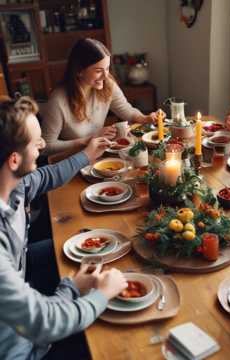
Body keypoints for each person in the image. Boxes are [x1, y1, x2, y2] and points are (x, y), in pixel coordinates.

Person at [0, 96, 128, 359]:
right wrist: (101, 294)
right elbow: (44, 321)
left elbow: (46, 176)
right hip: (24, 350)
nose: (44, 145)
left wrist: (87, 155)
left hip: (29, 303)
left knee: (83, 241)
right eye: (36, 143)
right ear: (14, 160)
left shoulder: (15, 184)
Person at [41, 38, 156, 156]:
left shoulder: (107, 84)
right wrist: (88, 140)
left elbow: (127, 110)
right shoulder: (58, 101)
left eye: (107, 68)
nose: (106, 76)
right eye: (98, 71)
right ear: (79, 71)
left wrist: (145, 118)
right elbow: (46, 147)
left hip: (98, 154)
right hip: (73, 161)